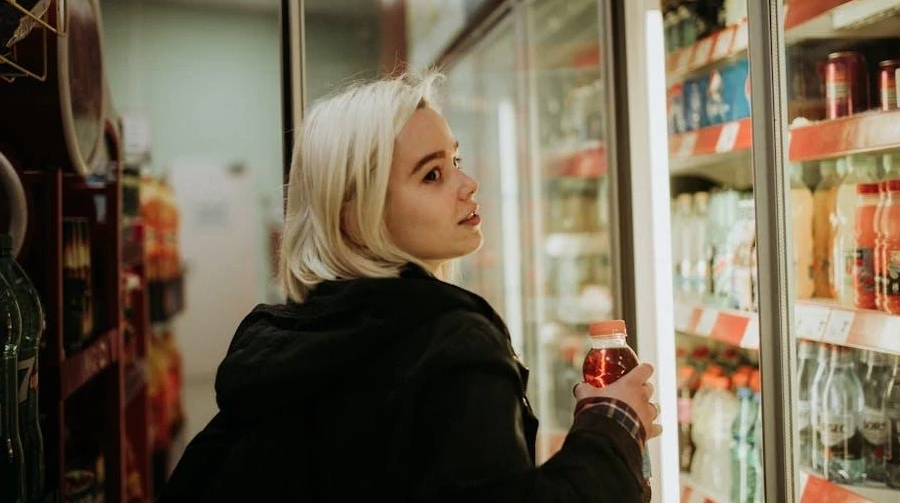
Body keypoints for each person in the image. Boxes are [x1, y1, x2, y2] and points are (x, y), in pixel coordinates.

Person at [158, 73, 662, 502]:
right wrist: (611, 426)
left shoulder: (279, 341)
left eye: (455, 159)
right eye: (433, 174)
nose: (468, 183)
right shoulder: (450, 343)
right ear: (355, 214)